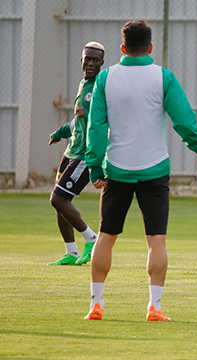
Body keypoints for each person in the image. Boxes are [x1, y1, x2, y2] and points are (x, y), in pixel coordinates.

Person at [84, 20, 197, 321]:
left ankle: (96, 304)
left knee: (106, 236)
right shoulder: (163, 77)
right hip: (155, 170)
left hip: (116, 170)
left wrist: (94, 165)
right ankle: (154, 307)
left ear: (122, 48)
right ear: (151, 47)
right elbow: (183, 120)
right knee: (157, 240)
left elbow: (96, 127)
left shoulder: (105, 79)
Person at [47, 42, 105, 266]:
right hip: (71, 150)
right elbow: (77, 122)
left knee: (58, 199)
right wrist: (60, 132)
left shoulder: (100, 87)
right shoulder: (84, 84)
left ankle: (91, 239)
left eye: (95, 60)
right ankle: (71, 252)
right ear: (81, 60)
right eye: (87, 59)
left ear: (101, 63)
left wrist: (87, 113)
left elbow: (103, 122)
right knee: (60, 202)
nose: (90, 63)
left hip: (84, 154)